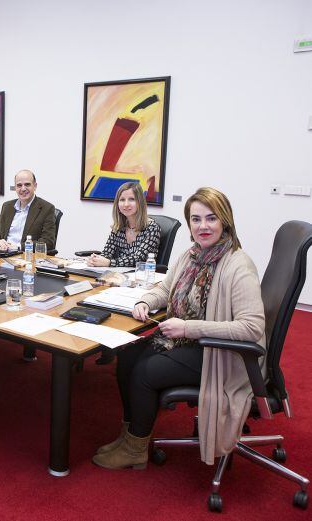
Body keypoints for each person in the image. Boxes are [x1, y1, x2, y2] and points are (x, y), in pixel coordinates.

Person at [92, 187, 265, 470]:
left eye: (211, 218)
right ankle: (129, 435)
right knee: (128, 357)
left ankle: (136, 447)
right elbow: (165, 288)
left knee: (145, 372)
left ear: (225, 221)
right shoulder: (191, 255)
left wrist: (188, 328)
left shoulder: (238, 265)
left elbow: (251, 327)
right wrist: (145, 301)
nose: (203, 226)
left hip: (220, 353)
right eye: (196, 219)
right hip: (190, 342)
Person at [86, 181, 161, 268]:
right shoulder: (118, 228)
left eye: (131, 199)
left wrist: (109, 263)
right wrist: (96, 260)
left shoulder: (152, 228)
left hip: (141, 277)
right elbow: (107, 253)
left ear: (140, 202)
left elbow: (138, 258)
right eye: (122, 200)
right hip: (118, 276)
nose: (126, 204)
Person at [0, 170, 57, 251]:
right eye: (19, 185)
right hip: (3, 254)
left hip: (26, 257)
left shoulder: (46, 208)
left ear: (35, 186)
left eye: (27, 184)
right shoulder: (7, 206)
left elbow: (48, 242)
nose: (23, 189)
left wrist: (19, 247)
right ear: (15, 188)